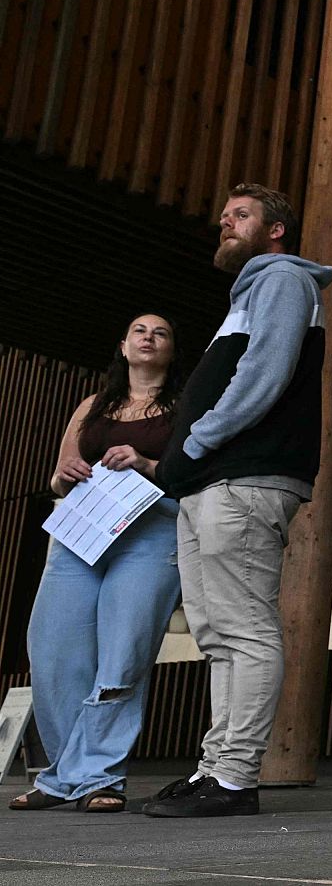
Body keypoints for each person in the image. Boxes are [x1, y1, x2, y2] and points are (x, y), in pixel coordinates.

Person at [141, 184, 332, 818]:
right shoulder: (248, 295)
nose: (224, 223)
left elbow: (264, 374)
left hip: (242, 478)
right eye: (223, 216)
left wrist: (198, 440)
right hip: (213, 481)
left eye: (240, 216)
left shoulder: (281, 279)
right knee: (218, 635)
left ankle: (235, 778)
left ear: (275, 230)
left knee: (244, 630)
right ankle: (215, 768)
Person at [10, 315, 184, 814]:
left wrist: (148, 463)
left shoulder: (184, 407)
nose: (149, 337)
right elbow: (58, 479)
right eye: (139, 331)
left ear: (170, 352)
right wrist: (64, 475)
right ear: (123, 347)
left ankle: (100, 775)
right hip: (80, 531)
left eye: (161, 333)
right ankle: (65, 774)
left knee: (122, 654)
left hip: (150, 530)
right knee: (54, 652)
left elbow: (191, 469)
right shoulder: (93, 405)